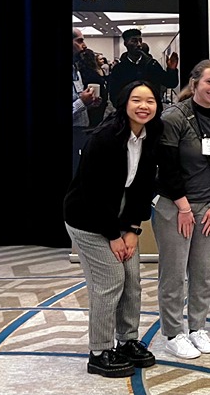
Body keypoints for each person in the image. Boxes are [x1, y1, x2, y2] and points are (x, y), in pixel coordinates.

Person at [64, 81, 163, 378]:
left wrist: (132, 229)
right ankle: (99, 350)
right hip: (88, 218)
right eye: (136, 100)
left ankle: (127, 340)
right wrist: (112, 236)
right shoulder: (106, 137)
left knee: (132, 279)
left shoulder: (151, 135)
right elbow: (95, 194)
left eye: (150, 100)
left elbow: (143, 187)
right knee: (110, 279)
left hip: (119, 216)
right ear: (124, 103)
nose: (144, 106)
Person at [153, 60, 210, 359]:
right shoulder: (174, 117)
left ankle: (197, 327)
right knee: (174, 275)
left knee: (203, 273)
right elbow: (167, 168)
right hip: (175, 208)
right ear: (195, 83)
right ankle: (174, 333)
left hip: (208, 209)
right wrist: (184, 208)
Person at [107, 28, 180, 99]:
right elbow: (114, 94)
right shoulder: (119, 68)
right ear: (126, 44)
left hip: (151, 107)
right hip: (127, 109)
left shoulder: (152, 64)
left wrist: (171, 70)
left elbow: (171, 83)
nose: (139, 44)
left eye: (140, 41)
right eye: (134, 41)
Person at [72, 28, 101, 174]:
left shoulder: (76, 70)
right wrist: (82, 102)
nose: (84, 45)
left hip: (80, 131)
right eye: (80, 41)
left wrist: (89, 103)